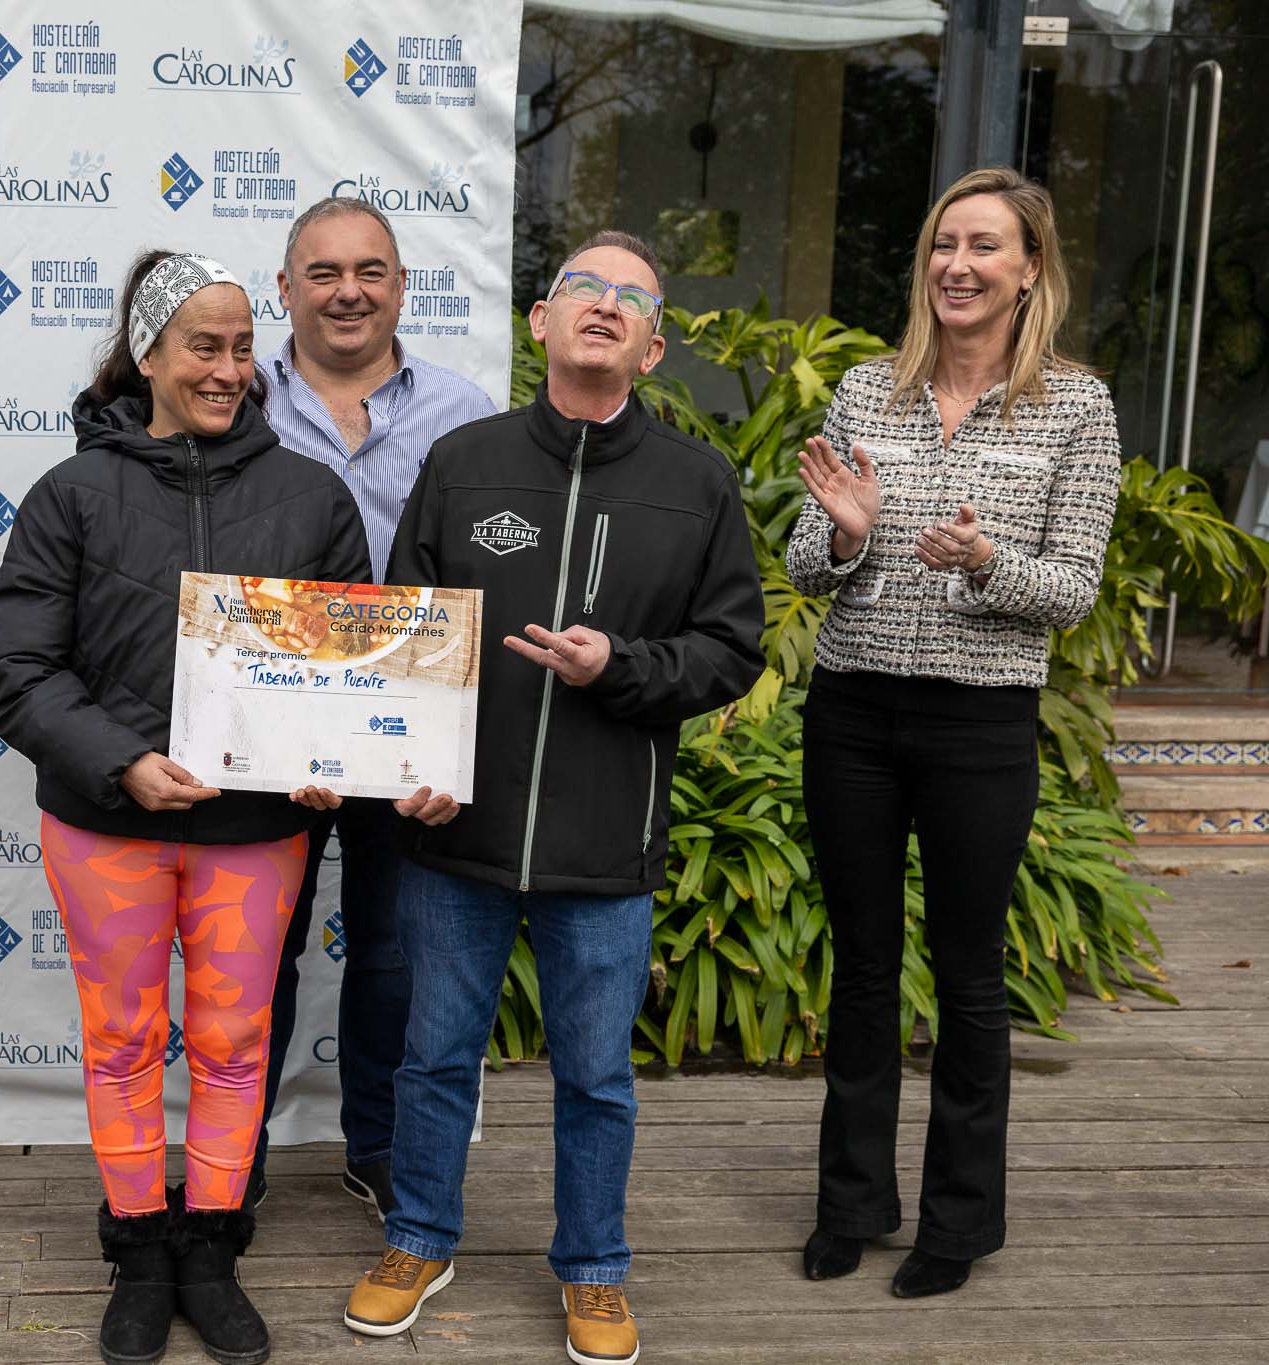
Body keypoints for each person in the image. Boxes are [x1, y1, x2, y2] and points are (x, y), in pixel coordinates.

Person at [341, 231, 764, 1365]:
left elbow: (729, 651)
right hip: (454, 837)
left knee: (595, 1076)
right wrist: (409, 770)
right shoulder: (465, 461)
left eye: (630, 297)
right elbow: (404, 638)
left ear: (653, 347)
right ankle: (417, 1238)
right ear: (539, 321)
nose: (603, 305)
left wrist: (616, 667)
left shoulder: (694, 485)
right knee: (432, 1059)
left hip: (602, 843)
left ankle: (592, 1268)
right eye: (582, 286)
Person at [0, 250, 371, 1365]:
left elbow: (345, 672)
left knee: (236, 1041)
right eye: (203, 346)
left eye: (243, 348)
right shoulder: (70, 495)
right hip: (108, 823)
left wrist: (328, 755)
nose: (227, 369)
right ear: (146, 353)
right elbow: (16, 669)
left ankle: (210, 1244)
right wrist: (124, 763)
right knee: (120, 1040)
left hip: (254, 831)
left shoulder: (310, 495)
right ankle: (137, 1245)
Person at [788, 166, 1122, 1299]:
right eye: (942, 243)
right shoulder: (862, 390)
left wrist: (985, 564)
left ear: (1028, 269)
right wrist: (844, 538)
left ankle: (957, 1222)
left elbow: (1070, 589)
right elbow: (801, 561)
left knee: (968, 976)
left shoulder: (1074, 407)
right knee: (862, 966)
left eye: (983, 246)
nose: (957, 265)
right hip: (852, 712)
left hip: (980, 721)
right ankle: (850, 1205)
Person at [252, 196, 495, 1215]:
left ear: (399, 286)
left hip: (407, 731)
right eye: (321, 273)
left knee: (394, 953)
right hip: (266, 727)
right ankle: (233, 1152)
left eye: (368, 272)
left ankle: (378, 1146)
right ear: (284, 290)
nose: (346, 292)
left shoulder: (465, 412)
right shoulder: (234, 394)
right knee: (255, 949)